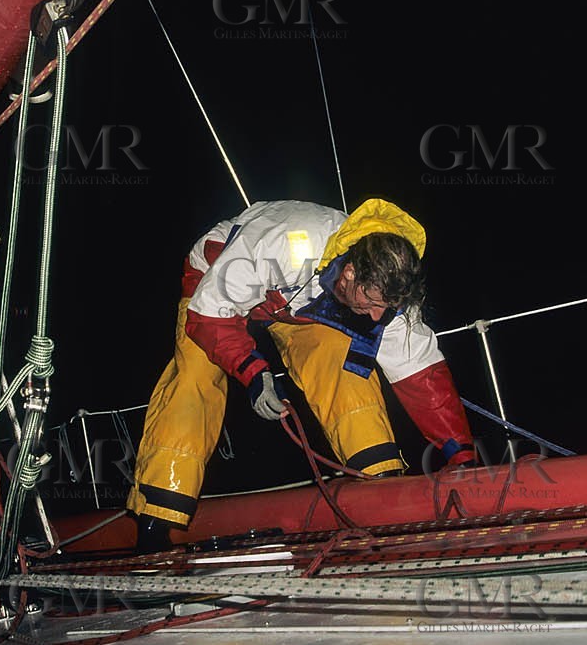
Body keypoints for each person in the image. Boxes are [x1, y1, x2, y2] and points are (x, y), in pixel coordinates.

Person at [125, 198, 477, 551]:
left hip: (295, 310)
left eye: (383, 309)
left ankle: (381, 487)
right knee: (196, 380)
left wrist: (460, 454)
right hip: (218, 288)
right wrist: (254, 372)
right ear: (351, 271)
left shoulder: (388, 291)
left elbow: (421, 372)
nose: (374, 317)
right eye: (370, 304)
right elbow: (208, 316)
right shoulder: (280, 243)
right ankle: (158, 519)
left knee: (345, 366)